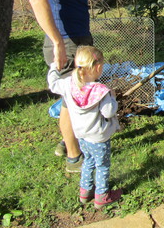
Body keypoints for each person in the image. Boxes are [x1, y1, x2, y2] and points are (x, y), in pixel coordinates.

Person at [29, 0, 109, 172]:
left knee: (77, 95)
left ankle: (68, 141)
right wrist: (58, 43)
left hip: (76, 36)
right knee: (71, 99)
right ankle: (75, 159)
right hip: (66, 38)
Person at [47, 46, 122, 208]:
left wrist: (54, 66)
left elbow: (53, 84)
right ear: (98, 67)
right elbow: (108, 112)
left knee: (88, 160)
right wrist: (113, 98)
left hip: (81, 135)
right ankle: (102, 195)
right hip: (99, 138)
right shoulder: (101, 91)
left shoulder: (68, 84)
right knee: (102, 165)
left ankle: (85, 192)